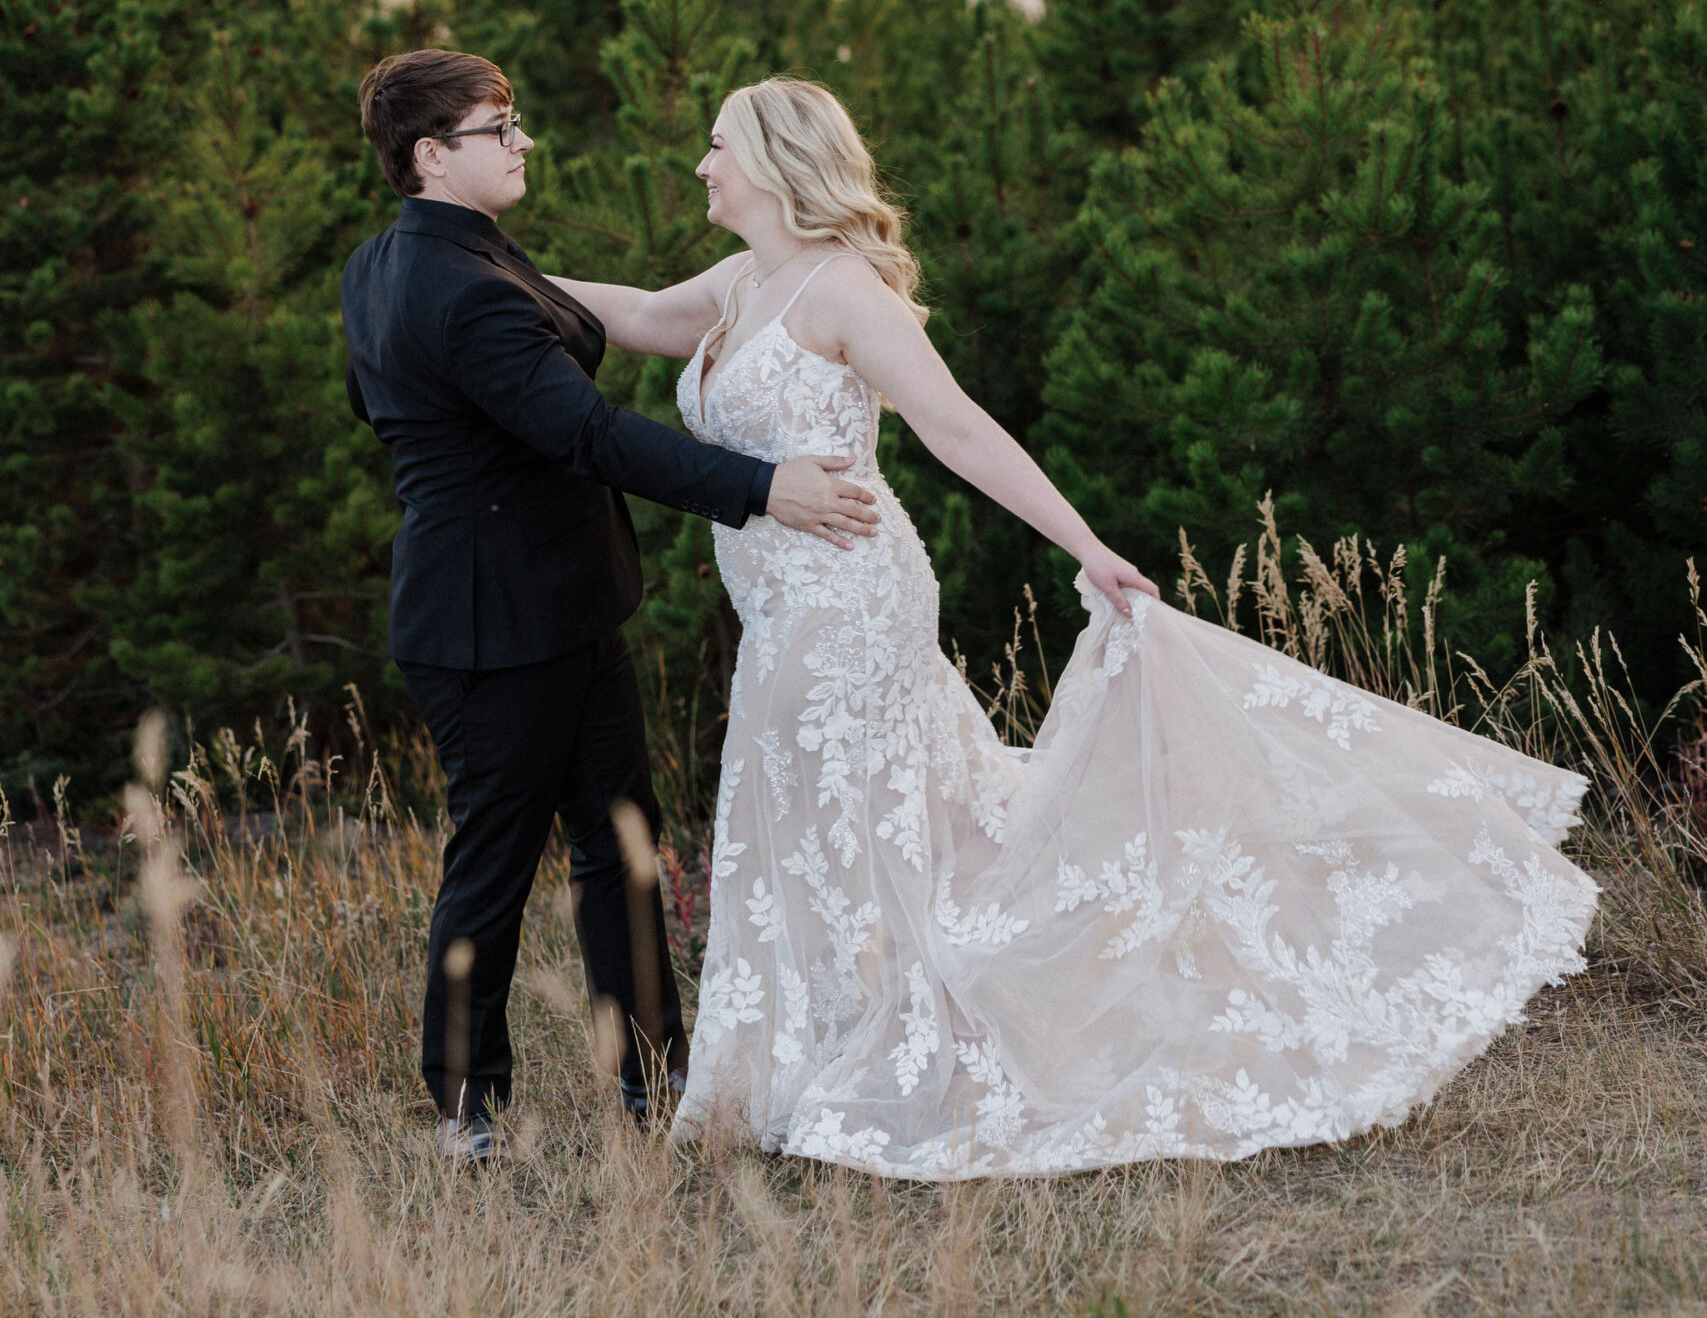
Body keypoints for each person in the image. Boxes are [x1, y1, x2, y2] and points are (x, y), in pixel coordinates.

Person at [551, 75, 1599, 1179]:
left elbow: (956, 425)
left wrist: (1086, 545)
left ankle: (897, 1048)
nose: (702, 165)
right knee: (833, 807)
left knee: (844, 806)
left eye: (717, 147)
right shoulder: (734, 283)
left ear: (770, 159)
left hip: (848, 592)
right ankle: (829, 1044)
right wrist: (484, 266)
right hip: (774, 598)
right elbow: (621, 314)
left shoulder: (841, 288)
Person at [340, 49, 878, 1163]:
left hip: (563, 605)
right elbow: (590, 435)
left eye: (518, 118)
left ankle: (653, 1076)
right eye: (499, 127)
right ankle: (464, 1109)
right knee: (494, 858)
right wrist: (762, 488)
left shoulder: (390, 265)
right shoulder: (460, 288)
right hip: (493, 625)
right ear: (433, 154)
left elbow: (387, 404)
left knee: (622, 844)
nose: (522, 138)